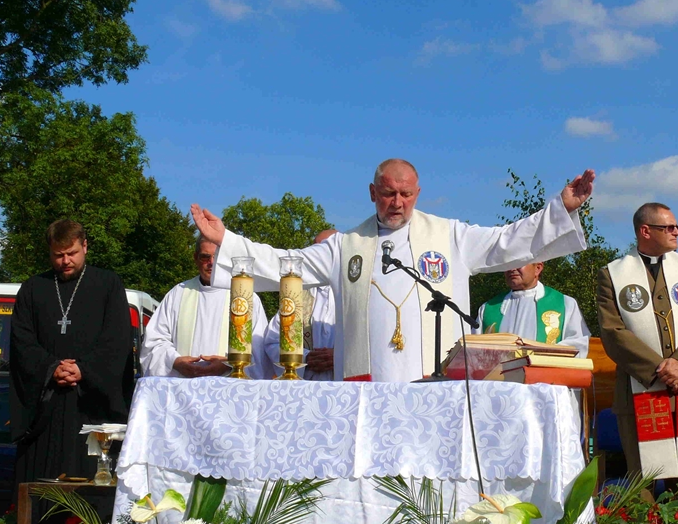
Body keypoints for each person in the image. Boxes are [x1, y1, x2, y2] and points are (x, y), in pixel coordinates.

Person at [191, 159, 594, 383]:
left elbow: (508, 241)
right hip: (364, 386)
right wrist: (228, 240)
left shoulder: (450, 236)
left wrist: (561, 209)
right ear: (372, 194)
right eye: (387, 193)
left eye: (405, 194)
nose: (397, 202)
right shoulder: (344, 246)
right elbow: (285, 264)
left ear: (417, 194)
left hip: (434, 386)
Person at [596, 203, 678, 480]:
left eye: (677, 227)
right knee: (644, 477)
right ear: (645, 231)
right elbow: (612, 330)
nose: (677, 233)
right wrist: (662, 369)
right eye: (669, 228)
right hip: (640, 386)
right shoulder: (612, 274)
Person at [10, 220, 133, 484]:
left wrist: (83, 369)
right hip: (46, 410)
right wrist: (51, 367)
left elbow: (118, 339)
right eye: (58, 255)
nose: (65, 261)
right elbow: (22, 340)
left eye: (72, 253)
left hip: (91, 407)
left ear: (85, 246)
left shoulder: (108, 284)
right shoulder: (33, 288)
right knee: (41, 486)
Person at [140, 235, 270, 379]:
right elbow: (154, 342)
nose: (211, 262)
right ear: (196, 258)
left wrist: (229, 364)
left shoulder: (245, 296)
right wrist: (175, 362)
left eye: (217, 257)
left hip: (230, 390)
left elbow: (259, 348)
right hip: (185, 390)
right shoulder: (178, 293)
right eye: (205, 257)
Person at [265, 230, 338, 380]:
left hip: (345, 383)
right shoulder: (296, 294)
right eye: (315, 249)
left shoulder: (357, 293)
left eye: (325, 249)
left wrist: (341, 356)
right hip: (306, 384)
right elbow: (272, 340)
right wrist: (305, 357)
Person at [474, 262, 590, 355]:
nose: (512, 268)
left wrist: (537, 355)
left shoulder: (565, 304)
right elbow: (473, 350)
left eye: (519, 262)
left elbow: (577, 344)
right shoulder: (488, 309)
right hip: (501, 382)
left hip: (543, 381)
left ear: (538, 268)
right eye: (507, 263)